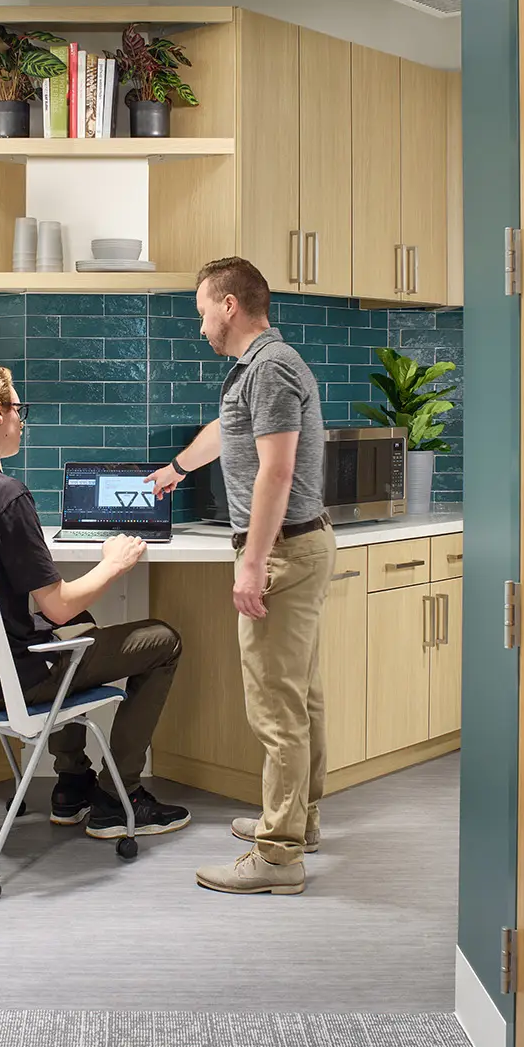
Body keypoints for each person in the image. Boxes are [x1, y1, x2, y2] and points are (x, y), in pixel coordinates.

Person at [0, 364, 189, 840]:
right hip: (10, 680)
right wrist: (114, 563)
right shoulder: (5, 496)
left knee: (83, 621)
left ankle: (72, 784)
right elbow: (54, 606)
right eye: (18, 408)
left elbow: (59, 612)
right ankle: (121, 798)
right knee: (163, 640)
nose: (21, 419)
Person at [147, 257, 335, 895]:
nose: (199, 324)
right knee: (299, 695)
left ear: (229, 305)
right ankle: (298, 821)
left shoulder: (272, 368)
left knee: (275, 706)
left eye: (202, 309)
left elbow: (275, 471)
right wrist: (176, 468)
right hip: (298, 546)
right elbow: (230, 436)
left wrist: (253, 562)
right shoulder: (262, 368)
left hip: (282, 550)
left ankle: (278, 857)